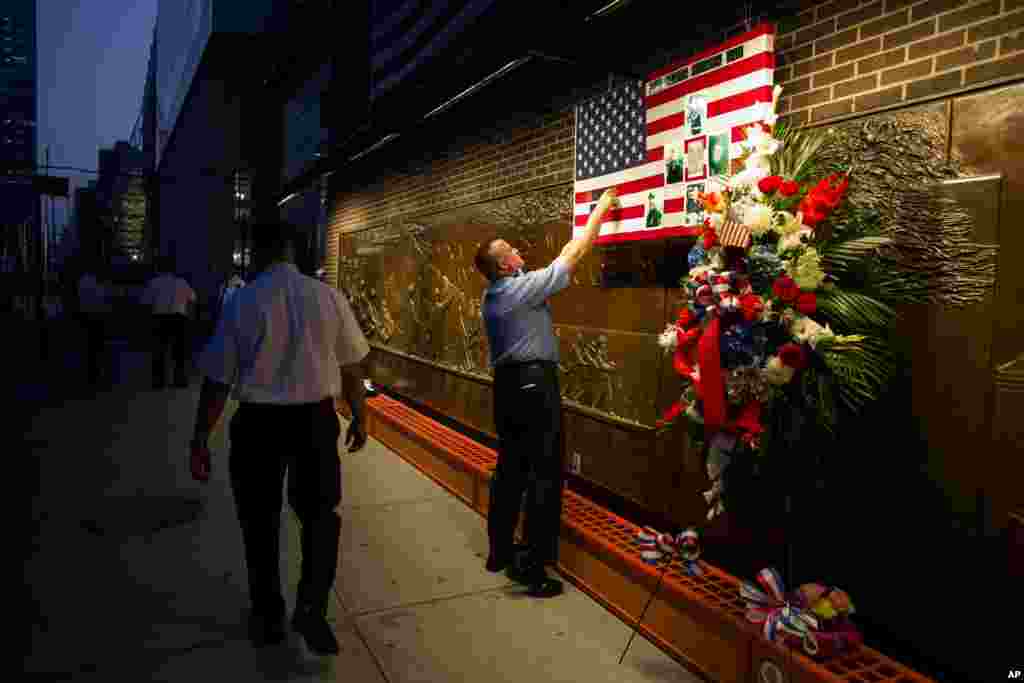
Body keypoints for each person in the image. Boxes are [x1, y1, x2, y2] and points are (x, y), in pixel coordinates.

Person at [189, 221, 369, 655]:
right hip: (316, 422)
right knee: (321, 518)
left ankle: (268, 615)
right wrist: (360, 417)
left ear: (259, 251)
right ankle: (312, 609)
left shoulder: (242, 301)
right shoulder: (328, 297)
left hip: (258, 426)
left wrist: (199, 439)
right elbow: (352, 367)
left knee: (260, 522)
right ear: (294, 249)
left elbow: (217, 379)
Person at [474, 187, 618, 598]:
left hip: (509, 389)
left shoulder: (496, 294)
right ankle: (532, 567)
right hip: (534, 387)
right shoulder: (518, 290)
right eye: (513, 250)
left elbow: (564, 256)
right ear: (505, 264)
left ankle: (500, 551)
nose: (519, 251)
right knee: (543, 474)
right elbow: (572, 255)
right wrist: (601, 210)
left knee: (511, 470)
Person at [141, 256, 197, 389]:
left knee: (159, 351)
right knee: (179, 352)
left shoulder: (154, 282)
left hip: (159, 319)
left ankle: (158, 381)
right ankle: (179, 380)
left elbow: (145, 303)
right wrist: (190, 317)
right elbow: (193, 299)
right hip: (179, 319)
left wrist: (147, 320)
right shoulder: (182, 282)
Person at [76, 257, 110, 388]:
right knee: (98, 345)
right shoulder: (99, 282)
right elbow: (104, 299)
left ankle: (90, 372)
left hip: (86, 315)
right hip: (98, 316)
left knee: (88, 346)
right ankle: (98, 371)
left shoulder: (83, 280)